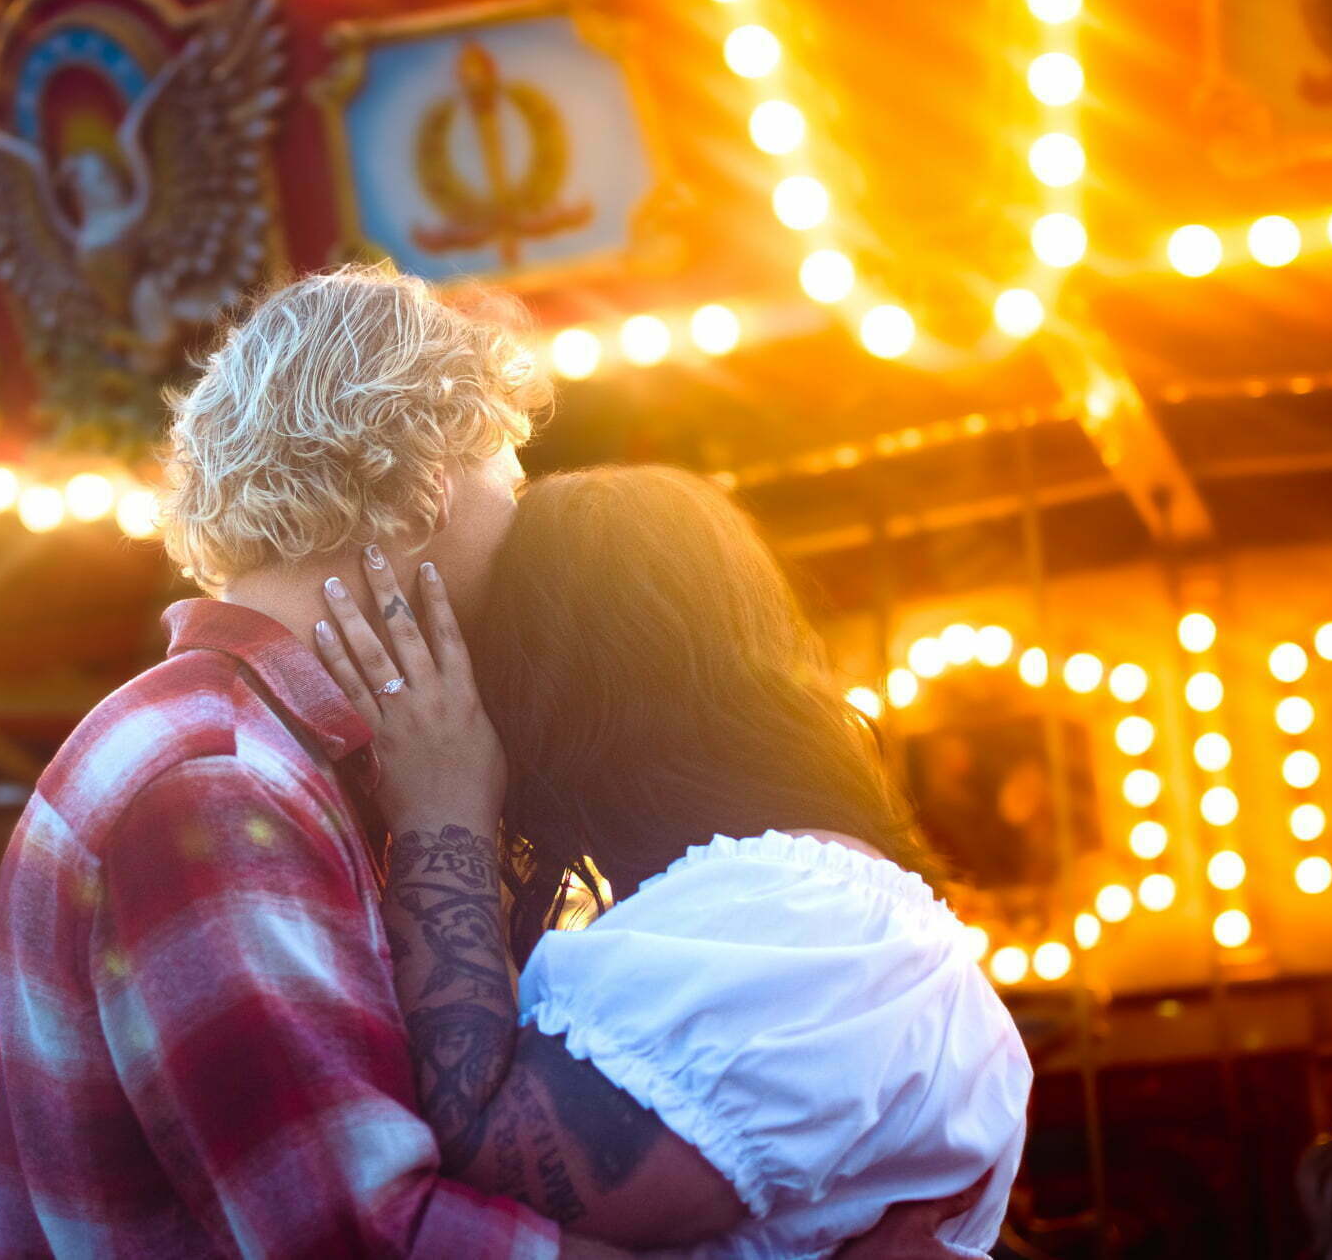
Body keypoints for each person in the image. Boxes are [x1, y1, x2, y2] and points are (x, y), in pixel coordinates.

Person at [0, 265, 992, 1257]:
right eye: (506, 485)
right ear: (427, 495)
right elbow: (359, 1234)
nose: (522, 527)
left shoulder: (251, 752)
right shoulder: (214, 780)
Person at [311, 464, 1031, 1257]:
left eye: (467, 659)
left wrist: (441, 809)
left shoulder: (797, 915)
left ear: (557, 686)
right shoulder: (763, 908)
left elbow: (468, 1173)